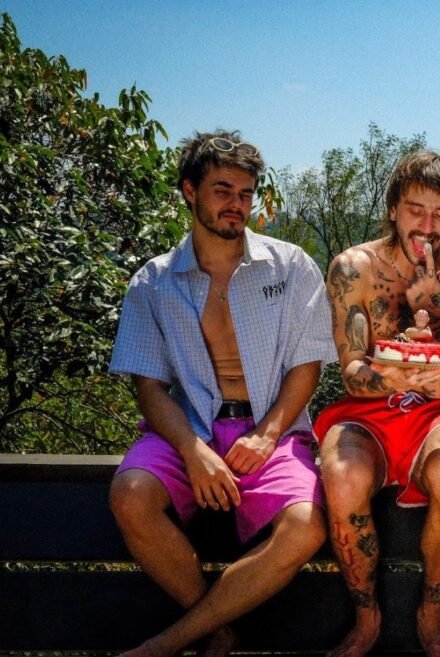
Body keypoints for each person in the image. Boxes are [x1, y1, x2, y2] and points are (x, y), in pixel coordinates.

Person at [108, 130, 335, 657]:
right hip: (187, 426)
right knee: (131, 495)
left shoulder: (291, 266)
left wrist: (267, 434)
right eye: (223, 190)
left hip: (272, 428)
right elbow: (149, 387)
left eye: (246, 193)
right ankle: (216, 630)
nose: (237, 204)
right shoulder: (153, 283)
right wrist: (192, 451)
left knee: (306, 527)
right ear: (190, 191)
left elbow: (306, 366)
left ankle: (170, 642)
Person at [314, 150, 440, 657]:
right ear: (393, 208)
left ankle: (432, 615)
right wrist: (387, 378)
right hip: (366, 411)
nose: (427, 227)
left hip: (433, 415)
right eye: (416, 210)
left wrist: (429, 306)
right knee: (342, 474)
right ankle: (366, 616)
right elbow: (351, 371)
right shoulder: (353, 269)